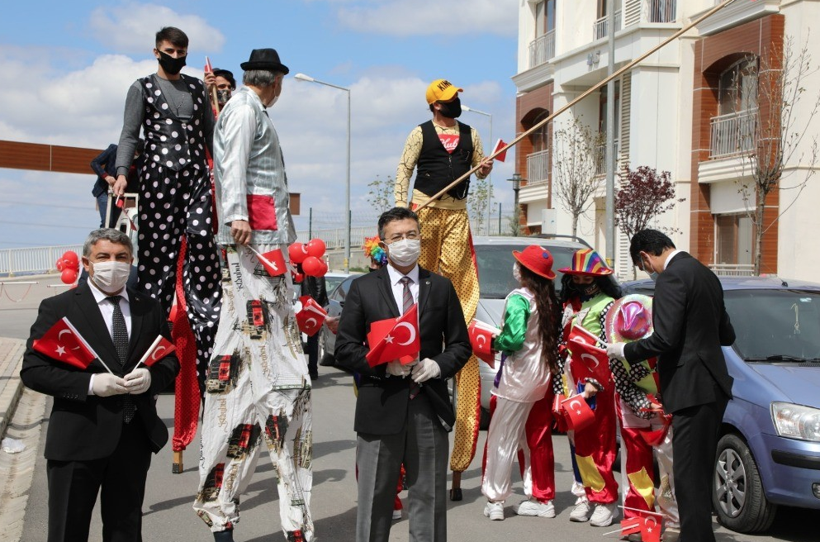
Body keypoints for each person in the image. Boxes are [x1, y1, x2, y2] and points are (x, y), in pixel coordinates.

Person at [192, 48, 313, 542]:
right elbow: (231, 165)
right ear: (276, 81)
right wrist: (237, 214)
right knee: (272, 358)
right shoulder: (244, 109)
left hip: (264, 237)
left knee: (245, 362)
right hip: (254, 237)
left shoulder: (248, 108)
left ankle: (223, 510)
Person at [21, 228, 179, 542]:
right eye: (103, 256)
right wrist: (91, 384)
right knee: (68, 530)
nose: (113, 264)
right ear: (86, 262)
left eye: (121, 257)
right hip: (77, 439)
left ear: (131, 262)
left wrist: (152, 378)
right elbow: (33, 371)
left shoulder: (149, 308)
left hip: (132, 438)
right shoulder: (59, 307)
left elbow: (169, 360)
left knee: (126, 531)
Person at [335, 206, 472, 542]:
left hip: (428, 405)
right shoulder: (364, 288)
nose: (406, 242)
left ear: (421, 238)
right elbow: (345, 348)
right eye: (397, 237)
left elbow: (460, 345)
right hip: (380, 405)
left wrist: (437, 365)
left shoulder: (440, 287)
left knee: (429, 497)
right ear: (384, 244)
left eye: (412, 234)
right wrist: (383, 365)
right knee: (375, 498)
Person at [395, 79, 493, 499]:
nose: (456, 105)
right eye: (449, 100)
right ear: (436, 105)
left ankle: (453, 318)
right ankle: (419, 316)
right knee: (421, 273)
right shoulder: (420, 133)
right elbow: (404, 169)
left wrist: (485, 168)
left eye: (457, 99)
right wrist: (402, 208)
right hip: (425, 207)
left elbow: (482, 166)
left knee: (450, 279)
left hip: (456, 212)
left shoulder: (471, 134)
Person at [608, 229, 735, 542]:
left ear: (645, 256)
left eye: (643, 266)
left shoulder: (670, 278)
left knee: (688, 476)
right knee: (698, 474)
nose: (648, 272)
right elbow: (727, 335)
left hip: (690, 387)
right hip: (712, 384)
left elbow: (665, 339)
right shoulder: (706, 274)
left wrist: (625, 350)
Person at [113, 26, 221, 390]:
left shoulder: (196, 89)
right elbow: (129, 134)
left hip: (196, 177)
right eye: (170, 51)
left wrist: (223, 175)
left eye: (181, 51)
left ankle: (206, 337)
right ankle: (149, 345)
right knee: (157, 260)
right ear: (157, 51)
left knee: (201, 242)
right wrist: (122, 172)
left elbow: (210, 135)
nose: (176, 57)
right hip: (159, 177)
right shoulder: (142, 88)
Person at [481, 245, 560, 521]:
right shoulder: (548, 300)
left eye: (519, 264)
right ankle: (542, 497)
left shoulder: (518, 299)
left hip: (516, 379)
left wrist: (493, 342)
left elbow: (513, 340)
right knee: (537, 439)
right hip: (541, 377)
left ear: (525, 272)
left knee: (502, 438)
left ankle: (495, 499)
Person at [604, 295, 679, 542]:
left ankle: (674, 520)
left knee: (669, 465)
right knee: (635, 466)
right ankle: (638, 521)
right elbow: (623, 384)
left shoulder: (666, 344)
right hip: (633, 405)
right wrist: (646, 404)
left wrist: (663, 403)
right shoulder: (615, 349)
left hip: (665, 404)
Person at [557, 248, 621, 528]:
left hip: (598, 382)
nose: (581, 283)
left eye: (587, 278)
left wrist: (597, 381)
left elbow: (611, 346)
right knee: (577, 441)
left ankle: (606, 499)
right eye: (577, 278)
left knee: (600, 441)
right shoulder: (570, 305)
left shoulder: (609, 305)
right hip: (570, 379)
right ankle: (586, 494)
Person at [90, 141, 143, 228]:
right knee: (107, 222)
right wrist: (106, 177)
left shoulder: (141, 159)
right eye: (133, 153)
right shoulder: (114, 150)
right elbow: (94, 163)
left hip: (122, 194)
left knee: (116, 224)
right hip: (105, 190)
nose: (134, 156)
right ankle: (102, 236)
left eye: (137, 155)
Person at [301, 272, 328, 380]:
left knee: (312, 339)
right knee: (311, 338)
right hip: (309, 305)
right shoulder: (306, 270)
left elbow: (320, 290)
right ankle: (311, 368)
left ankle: (313, 369)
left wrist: (313, 306)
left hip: (313, 307)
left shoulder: (315, 269)